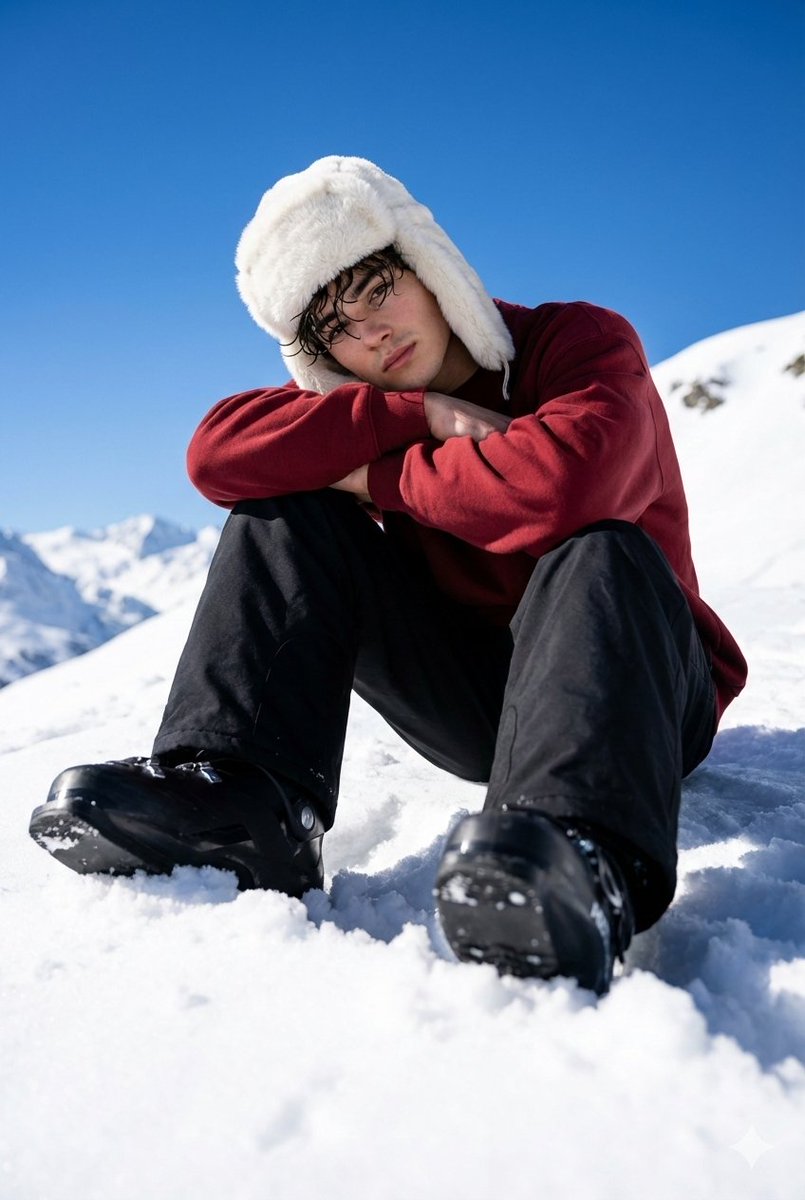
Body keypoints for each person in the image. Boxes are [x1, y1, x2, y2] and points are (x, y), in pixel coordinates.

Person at [29, 156, 747, 994]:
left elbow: (563, 486)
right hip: (480, 700)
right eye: (335, 327)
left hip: (642, 691)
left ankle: (578, 857)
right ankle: (243, 803)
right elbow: (214, 452)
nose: (368, 333)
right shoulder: (374, 401)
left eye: (375, 289)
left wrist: (374, 475)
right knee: (287, 510)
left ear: (429, 267)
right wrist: (412, 413)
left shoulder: (575, 343)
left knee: (597, 546)